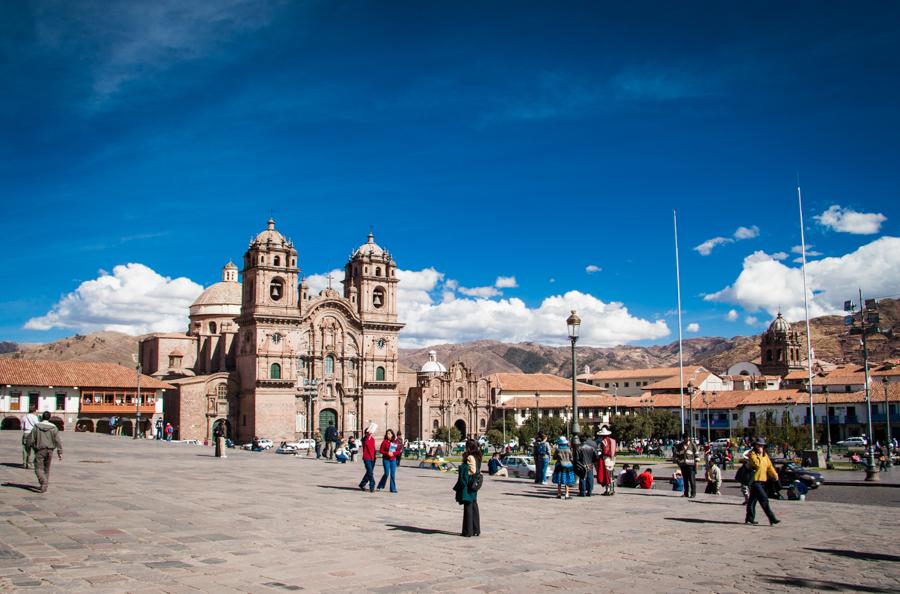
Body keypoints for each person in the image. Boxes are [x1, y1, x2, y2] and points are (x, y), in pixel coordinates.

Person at [25, 412, 63, 493]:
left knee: (38, 468)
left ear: (42, 417)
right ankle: (44, 486)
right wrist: (60, 452)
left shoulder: (36, 426)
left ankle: (43, 482)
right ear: (49, 418)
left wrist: (28, 448)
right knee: (46, 469)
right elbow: (58, 440)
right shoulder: (54, 428)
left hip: (39, 450)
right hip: (50, 450)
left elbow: (30, 439)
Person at [745, 438, 780, 526]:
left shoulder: (765, 455)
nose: (760, 447)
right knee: (764, 498)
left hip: (763, 481)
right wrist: (759, 454)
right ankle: (772, 518)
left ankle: (749, 518)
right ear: (755, 446)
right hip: (755, 481)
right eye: (758, 445)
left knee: (752, 500)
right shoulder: (752, 454)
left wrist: (775, 475)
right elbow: (756, 464)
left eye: (762, 445)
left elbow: (769, 466)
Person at [454, 439, 482, 537]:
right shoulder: (478, 456)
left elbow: (472, 470)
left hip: (469, 483)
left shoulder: (470, 457)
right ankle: (476, 529)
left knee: (468, 506)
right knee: (474, 504)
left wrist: (462, 468)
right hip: (475, 483)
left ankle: (467, 531)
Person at [673, 433, 699, 499]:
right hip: (683, 466)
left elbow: (697, 455)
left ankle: (693, 493)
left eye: (687, 438)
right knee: (685, 480)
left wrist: (696, 464)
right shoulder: (680, 445)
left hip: (691, 466)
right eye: (685, 438)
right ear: (683, 438)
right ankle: (686, 493)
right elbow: (677, 455)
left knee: (692, 480)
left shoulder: (692, 445)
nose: (687, 439)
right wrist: (678, 462)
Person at [377, 429, 398, 493]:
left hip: (393, 460)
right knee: (386, 473)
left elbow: (398, 451)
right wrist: (387, 453)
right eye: (387, 433)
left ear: (392, 434)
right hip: (386, 459)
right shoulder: (384, 442)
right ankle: (380, 485)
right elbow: (381, 450)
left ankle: (393, 488)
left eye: (389, 433)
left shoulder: (395, 442)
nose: (388, 435)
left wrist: (393, 453)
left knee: (393, 474)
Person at [597, 428, 617, 496]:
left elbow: (604, 451)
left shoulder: (603, 441)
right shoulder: (613, 441)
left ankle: (607, 490)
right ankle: (612, 489)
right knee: (611, 475)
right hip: (612, 459)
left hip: (606, 459)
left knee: (606, 475)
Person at [358, 424, 377, 492]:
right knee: (370, 473)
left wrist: (375, 456)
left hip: (373, 458)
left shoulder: (372, 439)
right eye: (368, 433)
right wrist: (368, 436)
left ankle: (362, 484)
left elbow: (373, 448)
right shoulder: (365, 440)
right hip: (367, 458)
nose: (370, 433)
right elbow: (366, 443)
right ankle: (372, 485)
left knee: (369, 472)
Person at [22, 405, 39, 469]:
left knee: (25, 449)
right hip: (32, 433)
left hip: (25, 433)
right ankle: (30, 464)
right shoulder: (34, 417)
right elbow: (37, 425)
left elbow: (22, 427)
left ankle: (24, 463)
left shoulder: (24, 417)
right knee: (33, 448)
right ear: (34, 411)